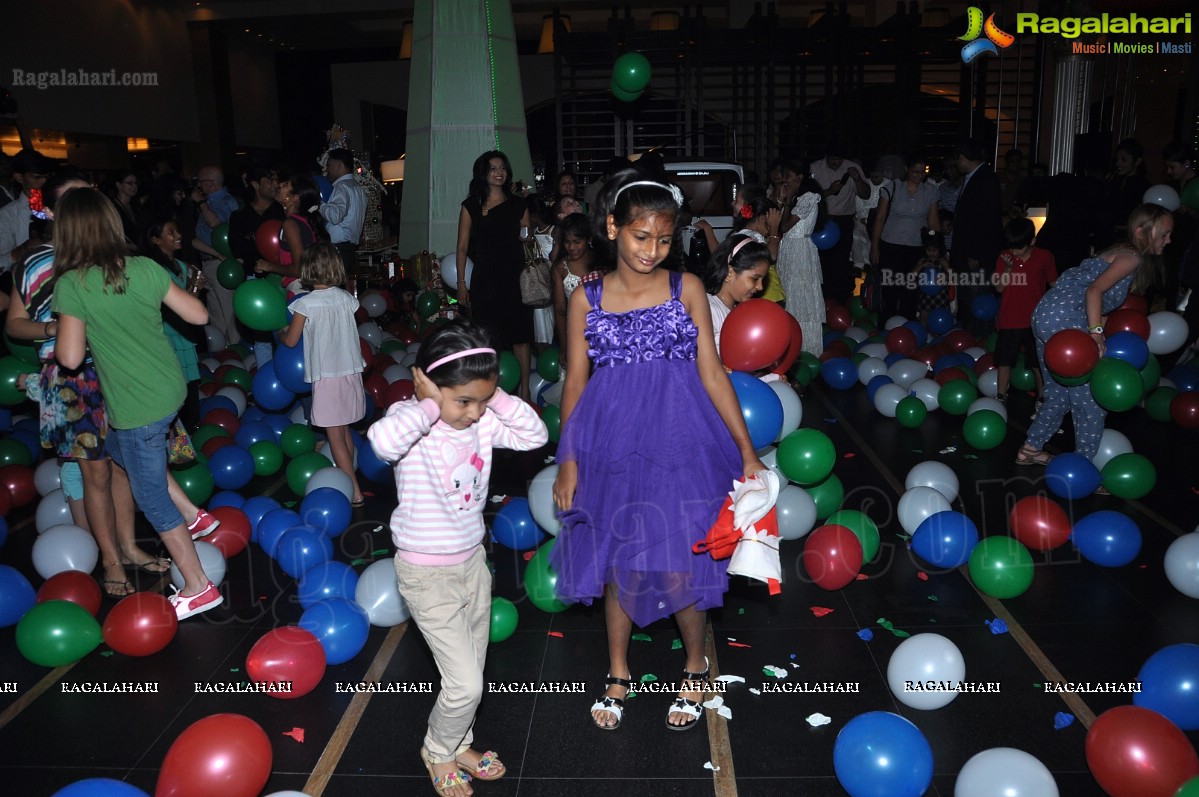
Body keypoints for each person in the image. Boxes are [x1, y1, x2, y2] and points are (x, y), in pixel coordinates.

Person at [550, 171, 765, 732]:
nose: (652, 251)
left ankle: (696, 667)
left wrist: (746, 451)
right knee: (618, 561)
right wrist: (567, 457)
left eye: (664, 240)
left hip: (680, 440)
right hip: (611, 442)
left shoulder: (685, 287)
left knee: (678, 565)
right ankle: (618, 672)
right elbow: (575, 382)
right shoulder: (586, 295)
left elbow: (713, 374)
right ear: (613, 227)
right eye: (641, 237)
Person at [366, 319, 546, 796]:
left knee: (472, 669)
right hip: (426, 575)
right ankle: (437, 750)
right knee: (465, 683)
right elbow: (381, 445)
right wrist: (427, 403)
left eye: (482, 401)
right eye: (463, 401)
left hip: (471, 565)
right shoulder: (415, 423)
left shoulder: (482, 420)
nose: (473, 413)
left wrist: (495, 399)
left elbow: (534, 436)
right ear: (430, 385)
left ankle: (459, 740)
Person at [53, 187, 222, 619]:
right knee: (117, 452)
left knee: (150, 494)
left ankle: (199, 587)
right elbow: (199, 317)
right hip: (168, 390)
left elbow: (70, 358)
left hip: (138, 405)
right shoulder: (144, 266)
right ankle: (193, 514)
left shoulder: (72, 284)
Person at [8, 172, 174, 599]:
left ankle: (131, 546)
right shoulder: (35, 263)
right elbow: (15, 326)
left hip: (118, 372)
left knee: (123, 466)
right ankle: (111, 560)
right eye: (74, 198)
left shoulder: (114, 259)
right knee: (94, 472)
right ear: (56, 212)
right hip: (69, 381)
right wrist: (55, 327)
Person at [1017, 204, 1172, 470]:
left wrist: (1099, 324)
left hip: (1045, 314)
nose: (1169, 240)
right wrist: (1096, 335)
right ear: (1142, 232)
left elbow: (1088, 299)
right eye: (1164, 234)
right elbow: (1093, 292)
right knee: (1090, 399)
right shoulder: (1132, 257)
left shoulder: (1115, 252)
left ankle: (1030, 449)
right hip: (1064, 318)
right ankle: (1083, 465)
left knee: (1057, 392)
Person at [279, 242, 366, 507]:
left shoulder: (306, 304)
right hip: (351, 372)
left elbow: (291, 341)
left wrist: (281, 332)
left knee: (334, 436)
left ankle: (354, 491)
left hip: (326, 376)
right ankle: (353, 481)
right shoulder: (346, 299)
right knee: (345, 432)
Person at [455, 151, 533, 401]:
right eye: (493, 168)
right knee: (487, 339)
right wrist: (461, 284)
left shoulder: (519, 205)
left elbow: (528, 241)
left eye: (502, 168)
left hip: (515, 278)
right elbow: (462, 248)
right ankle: (488, 391)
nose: (499, 172)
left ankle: (525, 389)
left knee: (520, 336)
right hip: (485, 281)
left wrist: (527, 234)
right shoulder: (471, 206)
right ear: (483, 173)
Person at [141, 217, 204, 432]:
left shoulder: (184, 266)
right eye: (170, 232)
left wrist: (196, 288)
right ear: (156, 240)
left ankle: (193, 436)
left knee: (191, 390)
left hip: (185, 336)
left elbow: (191, 305)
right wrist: (192, 291)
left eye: (177, 231)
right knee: (176, 392)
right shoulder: (153, 271)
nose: (178, 236)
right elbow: (166, 307)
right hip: (167, 337)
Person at [993, 217, 1058, 409]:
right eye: (1011, 247)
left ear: (1032, 241)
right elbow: (999, 288)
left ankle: (1043, 400)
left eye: (1018, 248)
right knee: (1005, 362)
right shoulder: (1005, 257)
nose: (1014, 252)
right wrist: (1008, 268)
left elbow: (1054, 284)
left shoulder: (1044, 257)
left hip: (1035, 321)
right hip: (1009, 320)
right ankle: (1000, 397)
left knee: (1038, 364)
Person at [871, 154, 941, 321]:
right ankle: (885, 326)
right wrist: (874, 247)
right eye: (915, 172)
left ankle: (907, 327)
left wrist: (937, 247)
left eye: (922, 172)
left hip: (916, 247)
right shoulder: (893, 187)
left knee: (911, 290)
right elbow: (879, 218)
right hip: (891, 245)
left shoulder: (931, 191)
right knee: (890, 290)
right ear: (907, 171)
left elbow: (933, 221)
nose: (919, 175)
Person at [949, 138, 1004, 335]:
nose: (956, 164)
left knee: (978, 301)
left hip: (976, 256)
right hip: (968, 254)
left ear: (965, 158)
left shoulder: (985, 179)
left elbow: (987, 221)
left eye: (958, 159)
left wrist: (976, 254)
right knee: (969, 299)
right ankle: (972, 338)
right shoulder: (975, 177)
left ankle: (979, 341)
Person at [810, 143, 871, 303]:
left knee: (841, 262)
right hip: (820, 220)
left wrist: (857, 179)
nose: (837, 163)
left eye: (840, 160)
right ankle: (821, 300)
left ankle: (839, 302)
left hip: (843, 221)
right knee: (820, 263)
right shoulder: (815, 168)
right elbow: (806, 198)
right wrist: (829, 191)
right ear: (827, 156)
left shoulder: (853, 167)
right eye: (833, 159)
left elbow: (866, 195)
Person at [191, 166, 242, 345]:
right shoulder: (211, 201)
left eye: (201, 181)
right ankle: (222, 350)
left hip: (221, 262)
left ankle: (236, 348)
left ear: (211, 183)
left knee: (228, 308)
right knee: (215, 310)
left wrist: (200, 203)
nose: (198, 185)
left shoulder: (225, 201)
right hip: (208, 261)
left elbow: (215, 223)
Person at [777, 174, 826, 358]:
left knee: (802, 297)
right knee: (789, 295)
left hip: (800, 250)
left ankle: (807, 347)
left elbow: (786, 226)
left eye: (788, 178)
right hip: (788, 249)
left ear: (798, 179)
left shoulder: (809, 197)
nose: (786, 182)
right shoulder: (796, 199)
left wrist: (788, 199)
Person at [703, 231, 770, 354]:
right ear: (729, 273)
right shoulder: (708, 310)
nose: (760, 287)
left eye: (762, 280)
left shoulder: (741, 312)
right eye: (755, 279)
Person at [259, 174, 327, 280]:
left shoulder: (290, 224)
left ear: (293, 198)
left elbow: (299, 269)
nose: (280, 185)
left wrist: (268, 266)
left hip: (300, 288)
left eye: (285, 185)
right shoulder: (303, 221)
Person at [551, 212, 595, 365]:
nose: (572, 247)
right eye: (567, 242)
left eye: (577, 242)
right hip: (576, 332)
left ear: (588, 239)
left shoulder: (601, 263)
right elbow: (560, 310)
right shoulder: (561, 268)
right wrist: (564, 345)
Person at [730, 184, 784, 304]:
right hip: (767, 297)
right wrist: (774, 229)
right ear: (762, 219)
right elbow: (771, 256)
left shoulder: (740, 233)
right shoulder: (751, 236)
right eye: (769, 225)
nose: (769, 230)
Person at [320, 148, 367, 280]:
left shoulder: (341, 187)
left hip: (338, 247)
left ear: (339, 165)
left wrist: (319, 204)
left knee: (328, 286)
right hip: (349, 248)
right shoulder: (358, 188)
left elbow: (335, 216)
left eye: (329, 165)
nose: (326, 170)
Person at [912, 228, 952, 327]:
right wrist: (921, 266)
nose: (932, 253)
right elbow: (913, 275)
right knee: (924, 317)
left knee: (940, 318)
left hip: (940, 294)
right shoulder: (923, 260)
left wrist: (946, 269)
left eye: (935, 250)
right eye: (929, 250)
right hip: (925, 295)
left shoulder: (943, 260)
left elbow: (951, 275)